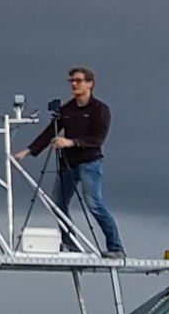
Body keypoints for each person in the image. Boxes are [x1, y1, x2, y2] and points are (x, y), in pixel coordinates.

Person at [12, 66, 123, 258]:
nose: (74, 84)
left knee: (94, 203)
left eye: (78, 81)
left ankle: (116, 248)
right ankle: (70, 243)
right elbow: (49, 132)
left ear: (90, 84)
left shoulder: (100, 110)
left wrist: (71, 142)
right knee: (58, 204)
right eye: (71, 81)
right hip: (68, 164)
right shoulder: (67, 110)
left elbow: (98, 138)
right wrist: (29, 151)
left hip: (90, 162)